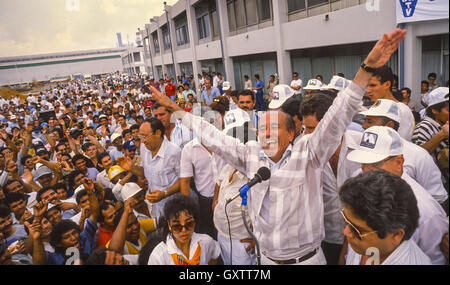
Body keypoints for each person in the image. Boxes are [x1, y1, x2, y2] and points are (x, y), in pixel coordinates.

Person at [147, 28, 408, 265]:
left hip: (306, 260)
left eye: (274, 129)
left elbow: (338, 115)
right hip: (267, 260)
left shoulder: (308, 154)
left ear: (292, 133)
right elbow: (213, 135)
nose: (266, 135)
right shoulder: (250, 155)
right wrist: (177, 110)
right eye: (262, 129)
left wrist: (365, 70)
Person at [346, 126, 449, 264]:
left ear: (399, 162)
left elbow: (436, 259)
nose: (365, 170)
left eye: (374, 164)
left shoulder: (426, 210)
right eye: (363, 163)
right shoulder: (359, 183)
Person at [360, 99, 449, 206]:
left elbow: (437, 198)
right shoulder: (362, 149)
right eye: (364, 121)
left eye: (369, 121)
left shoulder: (418, 155)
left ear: (389, 125)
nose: (363, 126)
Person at [340, 170, 431, 265]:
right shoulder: (362, 240)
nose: (346, 232)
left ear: (396, 235)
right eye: (346, 220)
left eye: (357, 230)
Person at [148, 195, 220, 265]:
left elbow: (214, 256)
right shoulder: (158, 257)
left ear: (194, 222)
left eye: (189, 224)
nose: (184, 230)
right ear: (169, 225)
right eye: (177, 226)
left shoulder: (206, 242)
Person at [365, 65, 415, 141]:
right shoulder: (374, 107)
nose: (368, 90)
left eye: (373, 85)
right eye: (366, 86)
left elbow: (400, 143)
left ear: (387, 84)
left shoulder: (401, 110)